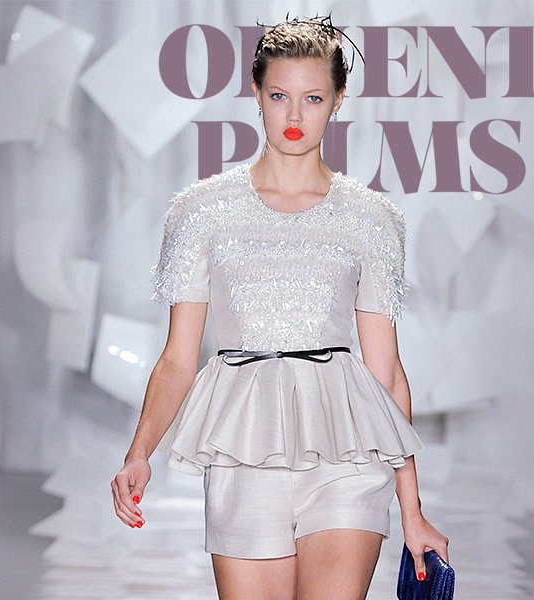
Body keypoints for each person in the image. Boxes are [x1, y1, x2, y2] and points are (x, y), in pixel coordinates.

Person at [110, 15, 449, 600]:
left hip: (346, 450)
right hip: (244, 447)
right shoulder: (201, 212)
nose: (294, 116)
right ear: (256, 94)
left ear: (338, 100)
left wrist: (412, 509)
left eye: (313, 98)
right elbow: (178, 358)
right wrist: (139, 453)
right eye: (279, 96)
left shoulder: (371, 218)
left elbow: (386, 372)